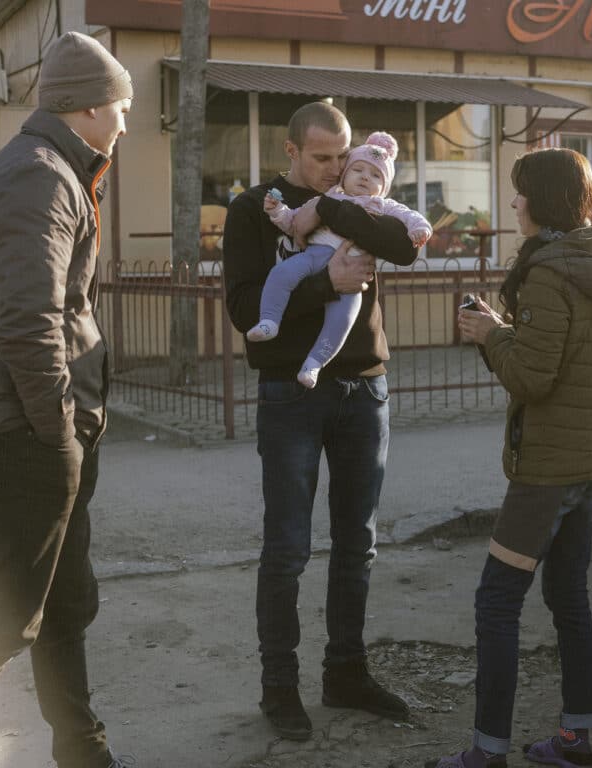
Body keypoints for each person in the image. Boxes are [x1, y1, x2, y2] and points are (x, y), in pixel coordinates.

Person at [0, 31, 133, 768]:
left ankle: (82, 749)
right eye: (119, 106)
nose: (123, 120)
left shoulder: (49, 167)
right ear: (86, 107)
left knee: (63, 602)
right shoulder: (41, 178)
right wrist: (59, 433)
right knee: (10, 610)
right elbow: (30, 323)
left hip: (35, 424)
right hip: (24, 428)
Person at [429, 148, 592, 768]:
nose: (513, 203)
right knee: (569, 597)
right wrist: (504, 329)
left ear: (543, 201)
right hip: (591, 462)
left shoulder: (549, 273)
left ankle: (486, 751)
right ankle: (576, 739)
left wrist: (491, 334)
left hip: (546, 469)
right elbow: (566, 363)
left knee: (496, 602)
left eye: (521, 193)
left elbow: (534, 379)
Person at [222, 101, 417, 743]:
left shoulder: (360, 196)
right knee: (286, 551)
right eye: (323, 159)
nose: (337, 169)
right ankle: (280, 687)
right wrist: (325, 281)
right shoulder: (256, 209)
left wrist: (347, 205)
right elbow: (245, 310)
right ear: (291, 153)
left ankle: (347, 674)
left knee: (356, 545)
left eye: (344, 156)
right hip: (290, 395)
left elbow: (403, 247)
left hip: (364, 388)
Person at [247, 131, 431, 388]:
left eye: (376, 175)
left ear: (385, 186)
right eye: (357, 169)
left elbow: (409, 228)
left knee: (342, 320)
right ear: (292, 150)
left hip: (364, 367)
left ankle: (314, 364)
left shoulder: (378, 205)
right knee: (281, 274)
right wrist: (278, 211)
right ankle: (269, 320)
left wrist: (420, 229)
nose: (365, 177)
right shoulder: (331, 194)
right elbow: (294, 222)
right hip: (315, 255)